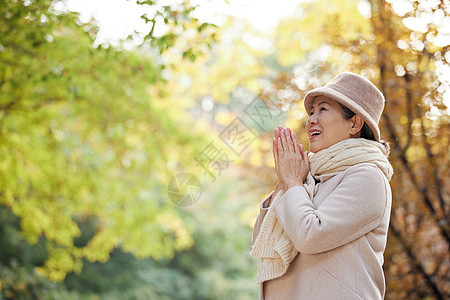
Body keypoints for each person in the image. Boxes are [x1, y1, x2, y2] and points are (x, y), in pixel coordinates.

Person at [251, 72, 394, 300]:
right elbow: (261, 239)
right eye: (311, 112)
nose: (311, 120)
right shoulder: (309, 175)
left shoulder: (368, 177)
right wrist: (284, 183)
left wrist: (293, 183)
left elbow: (310, 235)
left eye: (323, 109)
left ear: (355, 123)